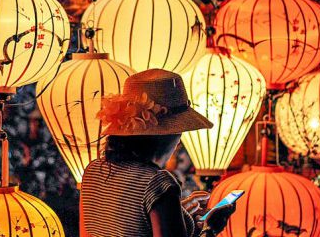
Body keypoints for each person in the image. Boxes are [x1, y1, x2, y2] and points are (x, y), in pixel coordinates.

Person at [80, 69, 236, 237]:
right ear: (169, 134)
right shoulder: (158, 183)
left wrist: (178, 214)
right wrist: (210, 229)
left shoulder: (93, 171)